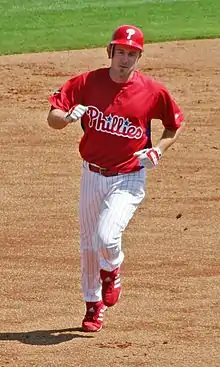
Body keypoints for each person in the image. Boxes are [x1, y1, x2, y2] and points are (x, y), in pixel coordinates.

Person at [47, 24, 185, 332]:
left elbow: (174, 124)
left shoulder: (152, 91)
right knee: (87, 245)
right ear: (110, 51)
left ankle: (112, 270)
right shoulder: (87, 82)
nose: (125, 59)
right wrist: (68, 118)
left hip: (129, 177)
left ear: (139, 57)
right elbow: (53, 117)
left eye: (132, 54)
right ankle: (92, 306)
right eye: (120, 52)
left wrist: (159, 150)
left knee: (106, 236)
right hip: (91, 174)